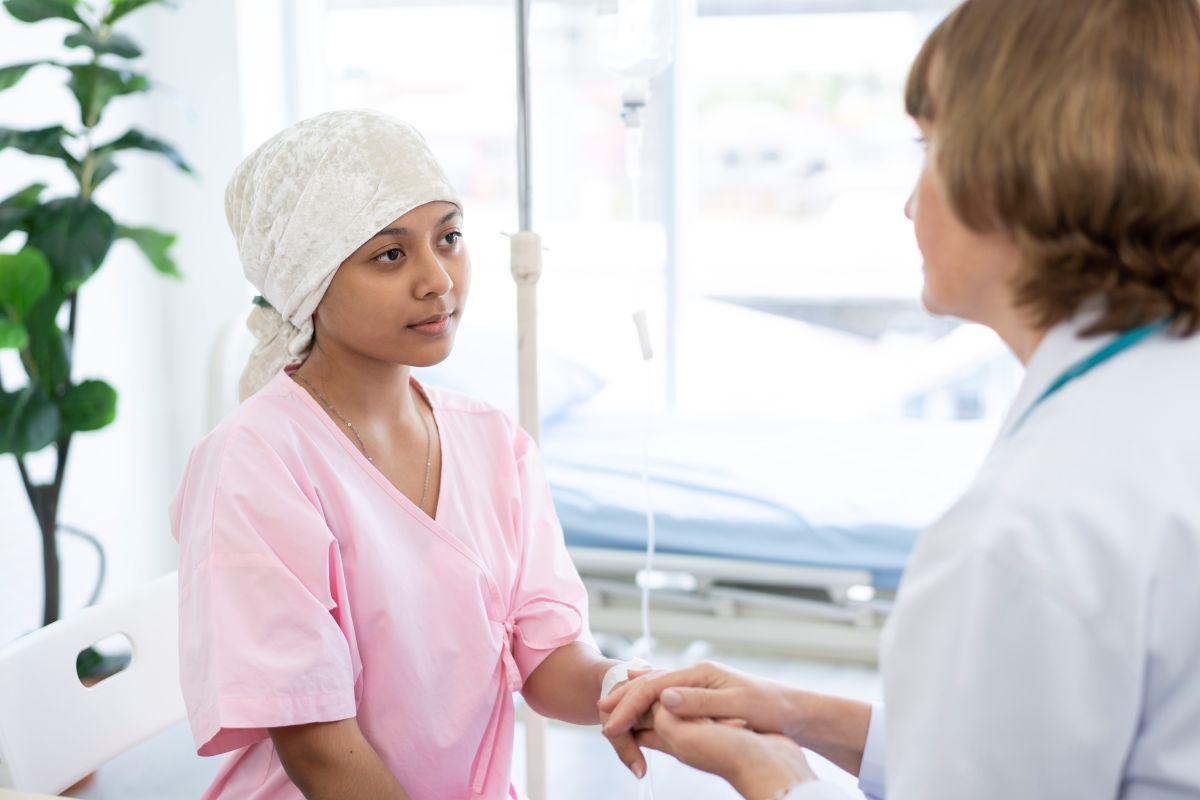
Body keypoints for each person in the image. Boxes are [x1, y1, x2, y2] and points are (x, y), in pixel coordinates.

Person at [599, 0, 1200, 797]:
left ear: (1017, 169)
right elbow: (1024, 751)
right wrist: (798, 712)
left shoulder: (1028, 532)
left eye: (930, 145)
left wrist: (774, 776)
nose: (909, 202)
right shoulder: (1158, 396)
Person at [169, 109, 630, 799]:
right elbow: (321, 751)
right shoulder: (255, 463)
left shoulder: (492, 443)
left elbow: (548, 659)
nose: (438, 280)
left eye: (449, 238)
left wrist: (628, 689)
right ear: (307, 279)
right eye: (391, 254)